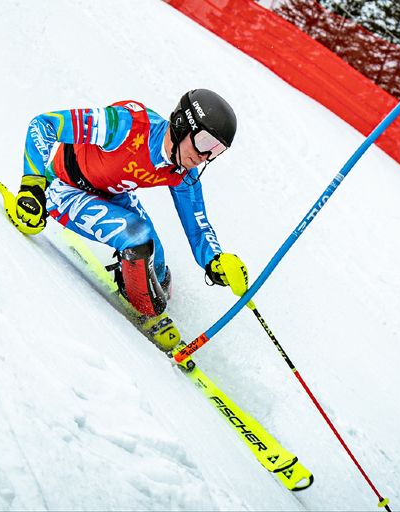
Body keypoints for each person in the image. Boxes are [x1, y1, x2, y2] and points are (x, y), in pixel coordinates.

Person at [15, 89, 249, 352]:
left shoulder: (184, 170)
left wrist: (216, 260)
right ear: (182, 124)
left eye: (216, 151)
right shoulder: (124, 126)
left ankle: (143, 291)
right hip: (65, 186)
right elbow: (44, 125)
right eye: (205, 142)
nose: (205, 156)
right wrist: (32, 185)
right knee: (139, 237)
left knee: (158, 272)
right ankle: (148, 313)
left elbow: (198, 226)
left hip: (113, 193)